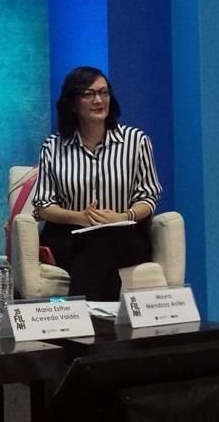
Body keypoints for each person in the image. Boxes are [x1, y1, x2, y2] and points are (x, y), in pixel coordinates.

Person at [31, 66, 163, 301]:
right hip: (69, 234)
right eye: (89, 94)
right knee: (97, 246)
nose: (98, 100)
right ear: (72, 103)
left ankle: (77, 318)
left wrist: (122, 217)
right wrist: (81, 217)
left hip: (124, 232)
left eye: (104, 92)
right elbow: (43, 205)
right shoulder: (53, 146)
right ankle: (105, 325)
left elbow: (148, 197)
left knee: (100, 242)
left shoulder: (136, 141)